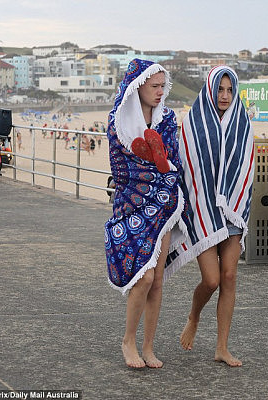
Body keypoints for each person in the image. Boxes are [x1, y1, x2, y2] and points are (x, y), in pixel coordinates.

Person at [104, 59, 191, 369]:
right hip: (130, 204)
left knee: (157, 283)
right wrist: (153, 166)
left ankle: (149, 346)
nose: (159, 91)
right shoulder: (118, 120)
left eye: (162, 86)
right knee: (144, 276)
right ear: (138, 85)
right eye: (154, 86)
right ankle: (128, 340)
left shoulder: (167, 119)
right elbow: (121, 168)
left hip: (164, 204)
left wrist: (159, 167)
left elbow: (172, 163)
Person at [176, 66, 254, 367]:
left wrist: (237, 198)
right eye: (220, 89)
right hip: (203, 209)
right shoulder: (192, 123)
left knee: (230, 277)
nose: (224, 95)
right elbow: (187, 167)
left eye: (229, 90)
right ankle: (194, 316)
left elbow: (246, 165)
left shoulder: (242, 122)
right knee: (210, 280)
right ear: (210, 90)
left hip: (232, 208)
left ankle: (222, 347)